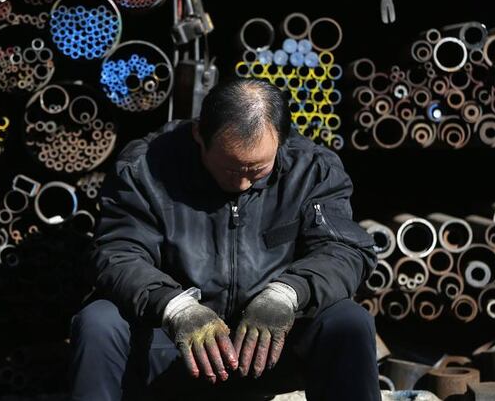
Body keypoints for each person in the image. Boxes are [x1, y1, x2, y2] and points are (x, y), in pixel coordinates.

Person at [70, 78, 379, 401]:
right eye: (231, 169)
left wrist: (286, 294)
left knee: (348, 321)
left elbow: (344, 249)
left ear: (281, 142)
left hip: (269, 347)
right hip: (174, 345)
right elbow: (117, 251)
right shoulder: (144, 168)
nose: (244, 184)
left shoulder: (312, 170)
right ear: (199, 135)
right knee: (99, 322)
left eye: (257, 170)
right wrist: (175, 307)